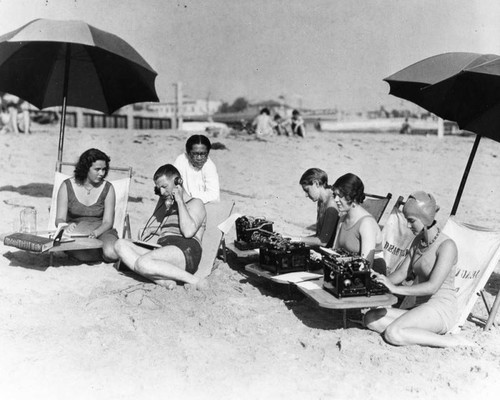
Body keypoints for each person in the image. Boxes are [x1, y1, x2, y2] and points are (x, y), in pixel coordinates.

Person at [364, 192, 471, 347]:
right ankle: (414, 331)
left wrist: (394, 289)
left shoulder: (447, 246)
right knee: (371, 318)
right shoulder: (418, 241)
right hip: (421, 308)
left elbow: (432, 287)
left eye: (411, 221)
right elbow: (401, 273)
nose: (408, 225)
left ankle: (450, 342)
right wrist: (378, 281)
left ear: (425, 219)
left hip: (441, 309)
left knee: (393, 333)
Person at [114, 164, 207, 290]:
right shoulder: (168, 206)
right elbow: (170, 231)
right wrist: (150, 230)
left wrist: (179, 200)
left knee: (142, 263)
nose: (162, 192)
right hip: (166, 250)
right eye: (159, 188)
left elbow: (188, 232)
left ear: (178, 182)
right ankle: (163, 281)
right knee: (120, 244)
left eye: (164, 186)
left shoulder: (196, 203)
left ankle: (194, 280)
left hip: (186, 251)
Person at [55, 148, 118, 262]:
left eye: (104, 169)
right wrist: (65, 226)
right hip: (78, 232)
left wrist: (96, 233)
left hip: (102, 230)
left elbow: (108, 222)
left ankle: (91, 252)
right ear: (85, 169)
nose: (102, 173)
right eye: (97, 169)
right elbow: (59, 219)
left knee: (111, 253)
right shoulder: (67, 186)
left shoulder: (108, 188)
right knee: (85, 254)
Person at [331, 173, 384, 272]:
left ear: (352, 197)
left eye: (340, 196)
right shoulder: (342, 218)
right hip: (350, 272)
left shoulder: (366, 223)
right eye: (335, 195)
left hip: (371, 276)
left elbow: (366, 265)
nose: (335, 200)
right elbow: (334, 252)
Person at [289, 168, 339, 248]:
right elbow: (318, 235)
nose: (306, 195)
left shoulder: (331, 205)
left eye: (307, 190)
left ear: (316, 183)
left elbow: (323, 241)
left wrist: (295, 239)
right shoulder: (321, 200)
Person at [174, 134, 220, 203]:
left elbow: (214, 197)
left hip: (202, 205)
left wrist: (190, 198)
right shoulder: (181, 160)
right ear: (188, 153)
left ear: (208, 153)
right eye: (195, 154)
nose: (199, 158)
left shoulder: (209, 166)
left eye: (203, 154)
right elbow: (173, 183)